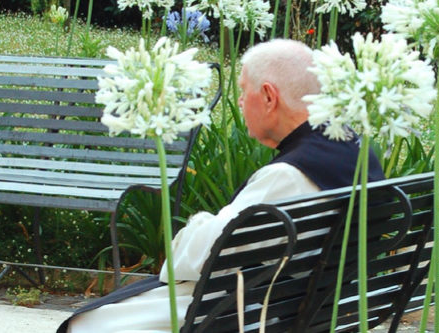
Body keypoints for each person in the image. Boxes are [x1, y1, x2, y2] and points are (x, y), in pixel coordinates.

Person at [60, 39, 384, 333]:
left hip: (251, 312)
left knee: (85, 325)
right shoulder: (355, 148)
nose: (241, 102)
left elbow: (190, 260)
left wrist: (199, 222)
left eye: (244, 91)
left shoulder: (287, 177)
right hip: (306, 308)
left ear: (269, 96)